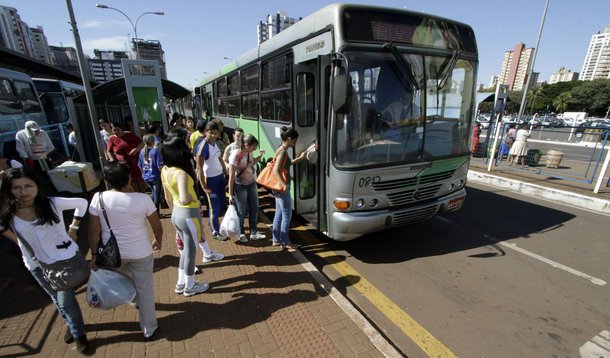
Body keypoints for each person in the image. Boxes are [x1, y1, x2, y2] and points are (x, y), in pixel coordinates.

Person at [0, 167, 89, 353]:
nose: (23, 192)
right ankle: (70, 324)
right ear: (8, 189)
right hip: (36, 265)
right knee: (55, 299)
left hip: (62, 261)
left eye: (28, 186)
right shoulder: (9, 212)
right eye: (16, 187)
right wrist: (19, 242)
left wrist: (73, 228)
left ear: (37, 186)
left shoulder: (52, 203)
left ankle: (78, 334)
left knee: (65, 301)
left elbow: (81, 202)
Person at [87, 162, 162, 339]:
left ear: (107, 180)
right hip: (141, 252)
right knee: (145, 290)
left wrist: (94, 254)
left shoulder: (98, 199)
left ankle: (135, 300)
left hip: (112, 255)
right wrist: (158, 240)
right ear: (129, 178)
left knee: (123, 282)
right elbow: (157, 226)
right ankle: (149, 327)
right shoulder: (143, 199)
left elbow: (93, 231)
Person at [161, 136, 224, 297]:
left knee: (185, 253)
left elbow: (169, 197)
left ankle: (181, 283)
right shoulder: (181, 173)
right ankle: (190, 286)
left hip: (176, 214)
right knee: (190, 252)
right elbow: (184, 198)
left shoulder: (165, 170)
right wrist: (191, 198)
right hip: (188, 214)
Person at [271, 126, 306, 250]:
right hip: (281, 188)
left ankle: (276, 240)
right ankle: (285, 241)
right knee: (287, 215)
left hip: (277, 188)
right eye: (294, 140)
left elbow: (286, 164)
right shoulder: (283, 152)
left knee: (279, 214)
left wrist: (299, 159)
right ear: (289, 139)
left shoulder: (280, 148)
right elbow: (276, 171)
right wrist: (284, 184)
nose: (295, 143)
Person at [227, 134, 266, 242]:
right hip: (240, 186)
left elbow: (251, 163)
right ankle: (241, 233)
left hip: (251, 184)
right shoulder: (235, 156)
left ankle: (253, 232)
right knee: (241, 211)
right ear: (246, 145)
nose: (254, 148)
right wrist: (230, 194)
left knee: (255, 208)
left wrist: (260, 156)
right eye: (254, 146)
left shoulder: (249, 153)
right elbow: (231, 176)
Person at [195, 121, 228, 241]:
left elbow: (219, 158)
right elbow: (199, 168)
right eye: (211, 133)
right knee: (213, 207)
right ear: (205, 132)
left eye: (215, 133)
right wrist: (204, 186)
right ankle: (215, 232)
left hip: (219, 178)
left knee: (219, 204)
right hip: (210, 181)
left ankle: (212, 223)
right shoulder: (203, 146)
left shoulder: (216, 143)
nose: (213, 135)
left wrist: (225, 172)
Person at [107, 122, 146, 192]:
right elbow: (109, 151)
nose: (116, 132)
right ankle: (135, 195)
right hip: (124, 165)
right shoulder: (112, 139)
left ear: (121, 129)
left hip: (135, 162)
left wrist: (136, 149)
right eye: (114, 130)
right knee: (130, 182)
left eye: (117, 130)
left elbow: (142, 143)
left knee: (141, 181)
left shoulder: (130, 135)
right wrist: (112, 160)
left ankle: (142, 194)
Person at [139, 134, 164, 213]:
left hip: (146, 176)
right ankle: (155, 213)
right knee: (157, 195)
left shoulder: (142, 151)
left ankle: (150, 209)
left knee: (153, 193)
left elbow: (140, 165)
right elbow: (160, 166)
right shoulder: (155, 152)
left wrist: (143, 174)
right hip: (155, 176)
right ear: (152, 141)